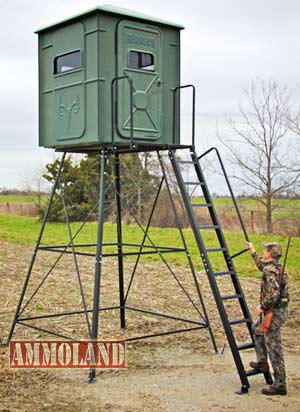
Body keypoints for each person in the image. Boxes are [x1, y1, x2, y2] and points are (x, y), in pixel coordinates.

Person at [246, 241, 289, 395]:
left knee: (275, 348)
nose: (264, 252)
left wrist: (262, 307)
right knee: (256, 329)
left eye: (265, 250)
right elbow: (261, 265)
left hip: (275, 312)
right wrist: (252, 250)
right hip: (279, 310)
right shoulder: (275, 267)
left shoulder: (270, 272)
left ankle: (280, 385)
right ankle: (262, 362)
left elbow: (273, 294)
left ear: (270, 253)